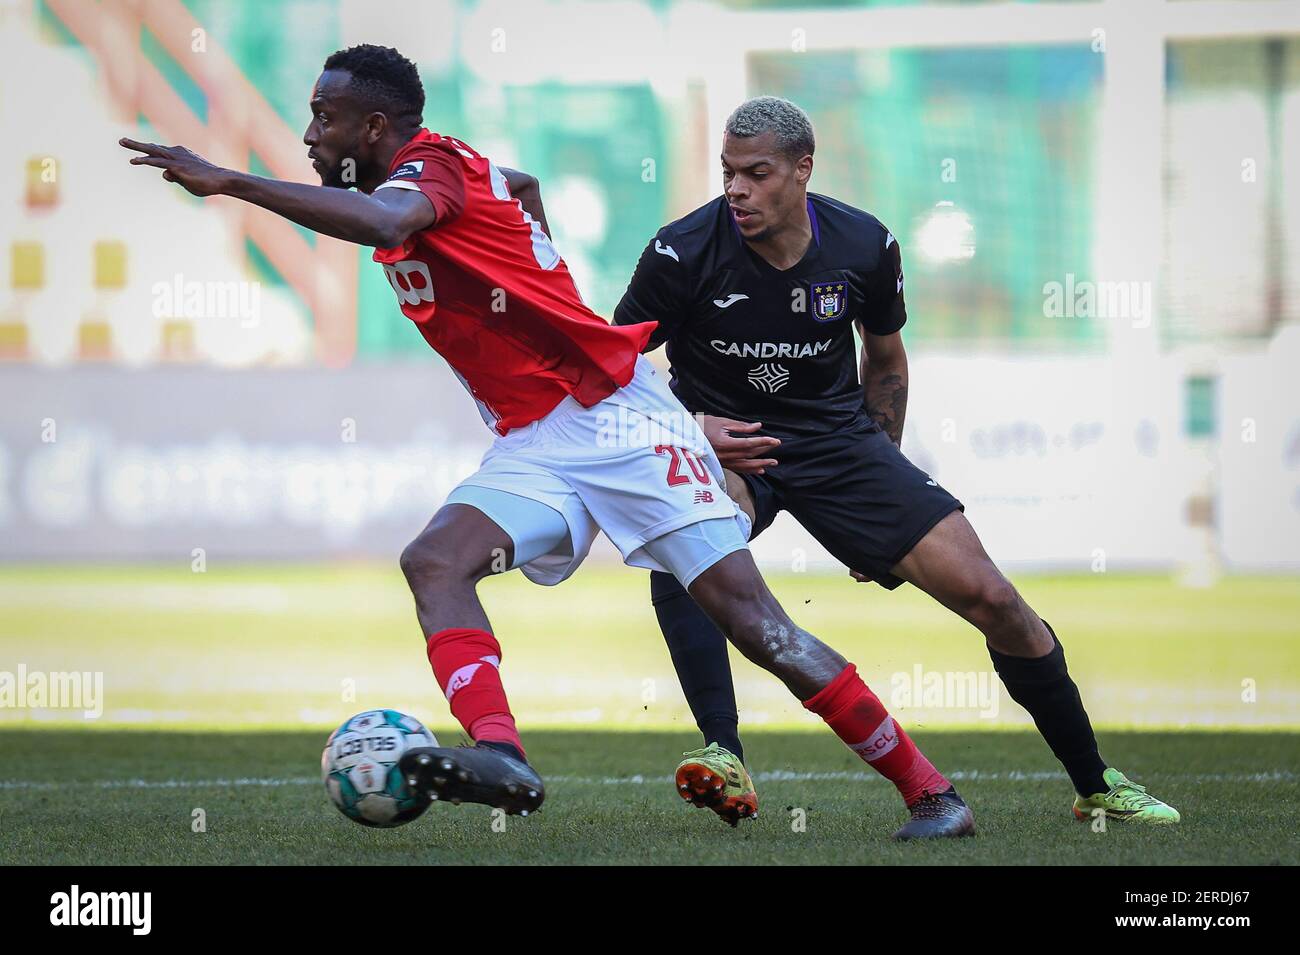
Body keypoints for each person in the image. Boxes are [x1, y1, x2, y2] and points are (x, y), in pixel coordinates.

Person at [122, 49, 973, 838]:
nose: (310, 135)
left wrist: (231, 181)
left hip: (619, 418)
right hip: (539, 437)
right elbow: (517, 184)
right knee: (434, 562)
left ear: (372, 130)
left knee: (760, 629)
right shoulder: (452, 173)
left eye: (322, 118)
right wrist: (535, 255)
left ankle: (931, 791)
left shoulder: (431, 170)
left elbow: (389, 225)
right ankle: (505, 757)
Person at [613, 95, 1179, 827]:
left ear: (802, 169)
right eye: (728, 173)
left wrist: (877, 502)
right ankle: (723, 752)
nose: (736, 190)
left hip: (841, 445)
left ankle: (1096, 780)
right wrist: (691, 430)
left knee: (996, 599)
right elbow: (609, 363)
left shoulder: (863, 244)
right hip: (731, 444)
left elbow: (885, 359)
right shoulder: (680, 251)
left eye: (756, 173)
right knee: (685, 542)